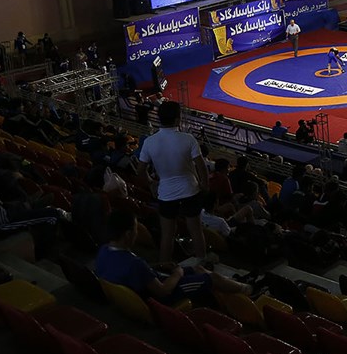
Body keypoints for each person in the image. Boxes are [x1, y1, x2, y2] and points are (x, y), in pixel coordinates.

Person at [95, 210, 251, 304]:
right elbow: (163, 291)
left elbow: (136, 271)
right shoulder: (135, 264)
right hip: (163, 296)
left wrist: (157, 266)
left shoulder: (104, 250)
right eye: (136, 229)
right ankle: (247, 290)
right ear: (128, 234)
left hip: (149, 284)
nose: (137, 233)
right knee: (212, 278)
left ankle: (232, 284)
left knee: (198, 268)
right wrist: (178, 273)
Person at [137, 101, 209, 264]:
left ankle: (165, 266)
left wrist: (151, 183)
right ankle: (202, 263)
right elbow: (201, 166)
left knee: (168, 234)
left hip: (166, 193)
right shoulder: (188, 139)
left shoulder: (150, 142)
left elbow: (140, 170)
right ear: (177, 119)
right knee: (196, 230)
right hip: (190, 190)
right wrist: (205, 185)